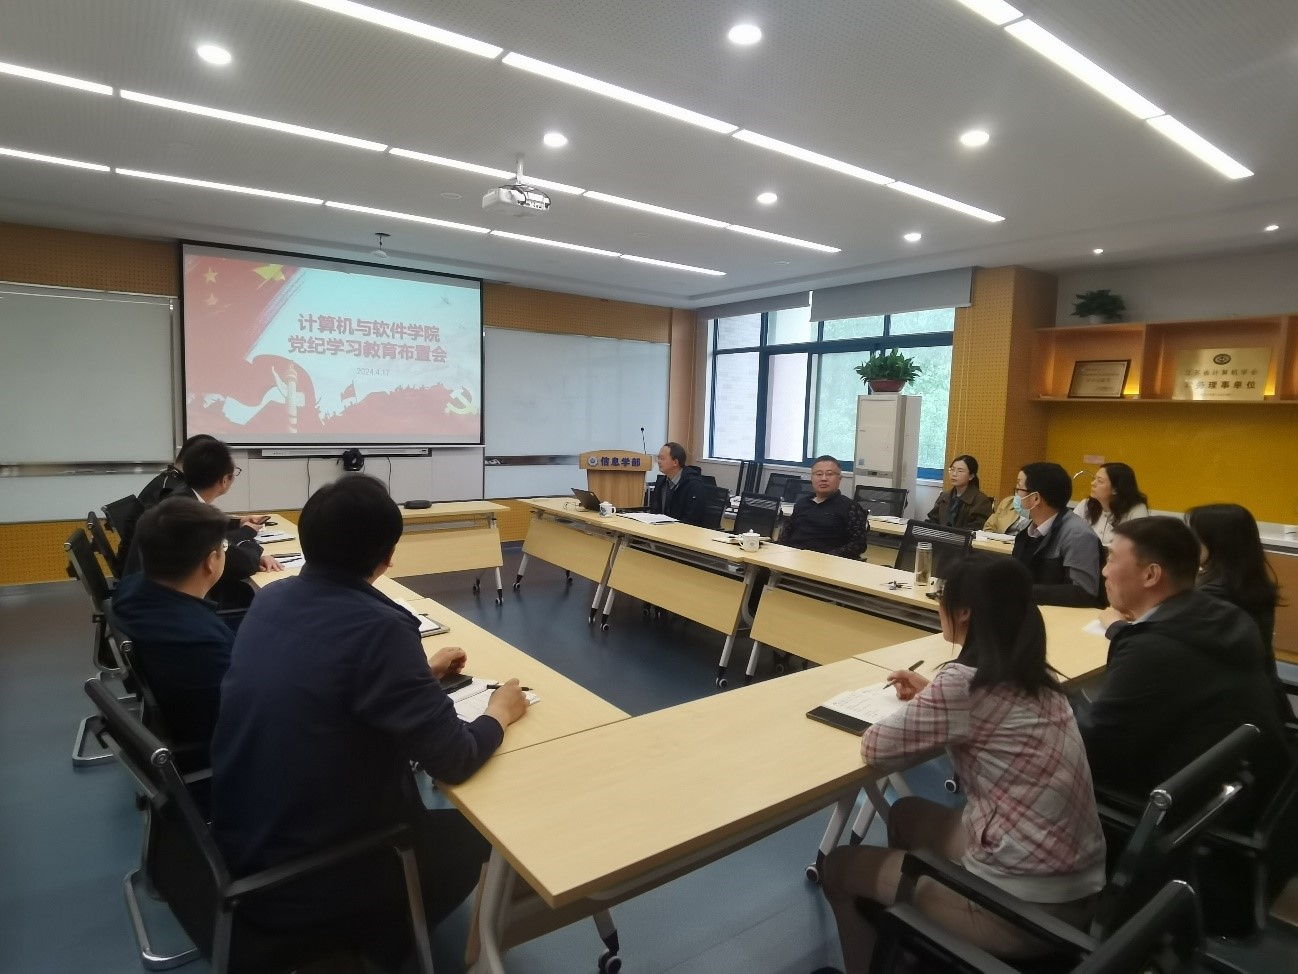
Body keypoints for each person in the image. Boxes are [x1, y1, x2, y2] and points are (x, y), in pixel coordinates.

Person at [210, 475, 529, 970]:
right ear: (388, 556)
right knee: (480, 836)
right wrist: (499, 713)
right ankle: (382, 937)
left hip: (242, 840)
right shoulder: (381, 628)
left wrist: (417, 675)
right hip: (315, 869)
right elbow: (455, 758)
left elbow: (325, 677)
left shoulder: (272, 598)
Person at [819, 556, 1106, 974]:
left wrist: (931, 702)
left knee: (837, 868)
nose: (939, 603)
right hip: (1075, 883)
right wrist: (933, 697)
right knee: (905, 814)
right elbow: (978, 710)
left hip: (1025, 911)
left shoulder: (963, 684)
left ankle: (911, 941)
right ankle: (913, 942)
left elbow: (876, 747)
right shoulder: (1034, 675)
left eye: (942, 596)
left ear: (965, 611)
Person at [1079, 517, 1290, 817]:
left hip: (1177, 808)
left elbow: (1092, 750)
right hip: (1248, 787)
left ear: (1151, 575)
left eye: (1111, 559)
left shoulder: (1152, 650)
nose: (1104, 570)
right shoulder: (1226, 615)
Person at [111, 496, 235, 753]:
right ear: (210, 562)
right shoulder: (202, 641)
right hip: (217, 750)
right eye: (223, 546)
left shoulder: (130, 588)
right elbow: (243, 719)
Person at [123, 438, 282, 605]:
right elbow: (240, 565)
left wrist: (239, 530)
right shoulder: (188, 513)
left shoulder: (180, 499)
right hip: (167, 603)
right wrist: (254, 549)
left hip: (141, 594)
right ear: (224, 481)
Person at [1010, 462, 1104, 607]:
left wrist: (1024, 592)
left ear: (1035, 498)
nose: (1016, 494)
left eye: (1019, 487)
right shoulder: (1028, 530)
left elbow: (1084, 592)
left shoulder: (1078, 535)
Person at [779, 456, 869, 559]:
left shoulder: (850, 507)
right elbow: (785, 536)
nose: (824, 478)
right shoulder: (802, 504)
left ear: (839, 479)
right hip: (794, 559)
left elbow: (858, 544)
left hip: (827, 563)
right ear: (812, 478)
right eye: (819, 474)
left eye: (830, 474)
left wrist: (828, 557)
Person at [1074, 462, 1149, 546]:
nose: (1093, 483)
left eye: (1100, 481)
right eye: (1094, 479)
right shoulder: (1086, 504)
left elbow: (1138, 545)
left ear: (1115, 489)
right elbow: (1071, 533)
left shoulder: (1137, 509)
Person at [925, 454, 994, 530]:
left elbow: (978, 527)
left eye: (960, 471)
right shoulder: (944, 496)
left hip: (965, 537)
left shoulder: (981, 501)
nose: (954, 474)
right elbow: (933, 520)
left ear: (971, 476)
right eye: (952, 469)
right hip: (941, 536)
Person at [649, 441, 708, 526]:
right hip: (662, 529)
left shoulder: (693, 485)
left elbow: (692, 518)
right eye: (658, 458)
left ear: (675, 462)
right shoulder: (661, 482)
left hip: (684, 531)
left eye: (662, 458)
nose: (658, 461)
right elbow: (655, 510)